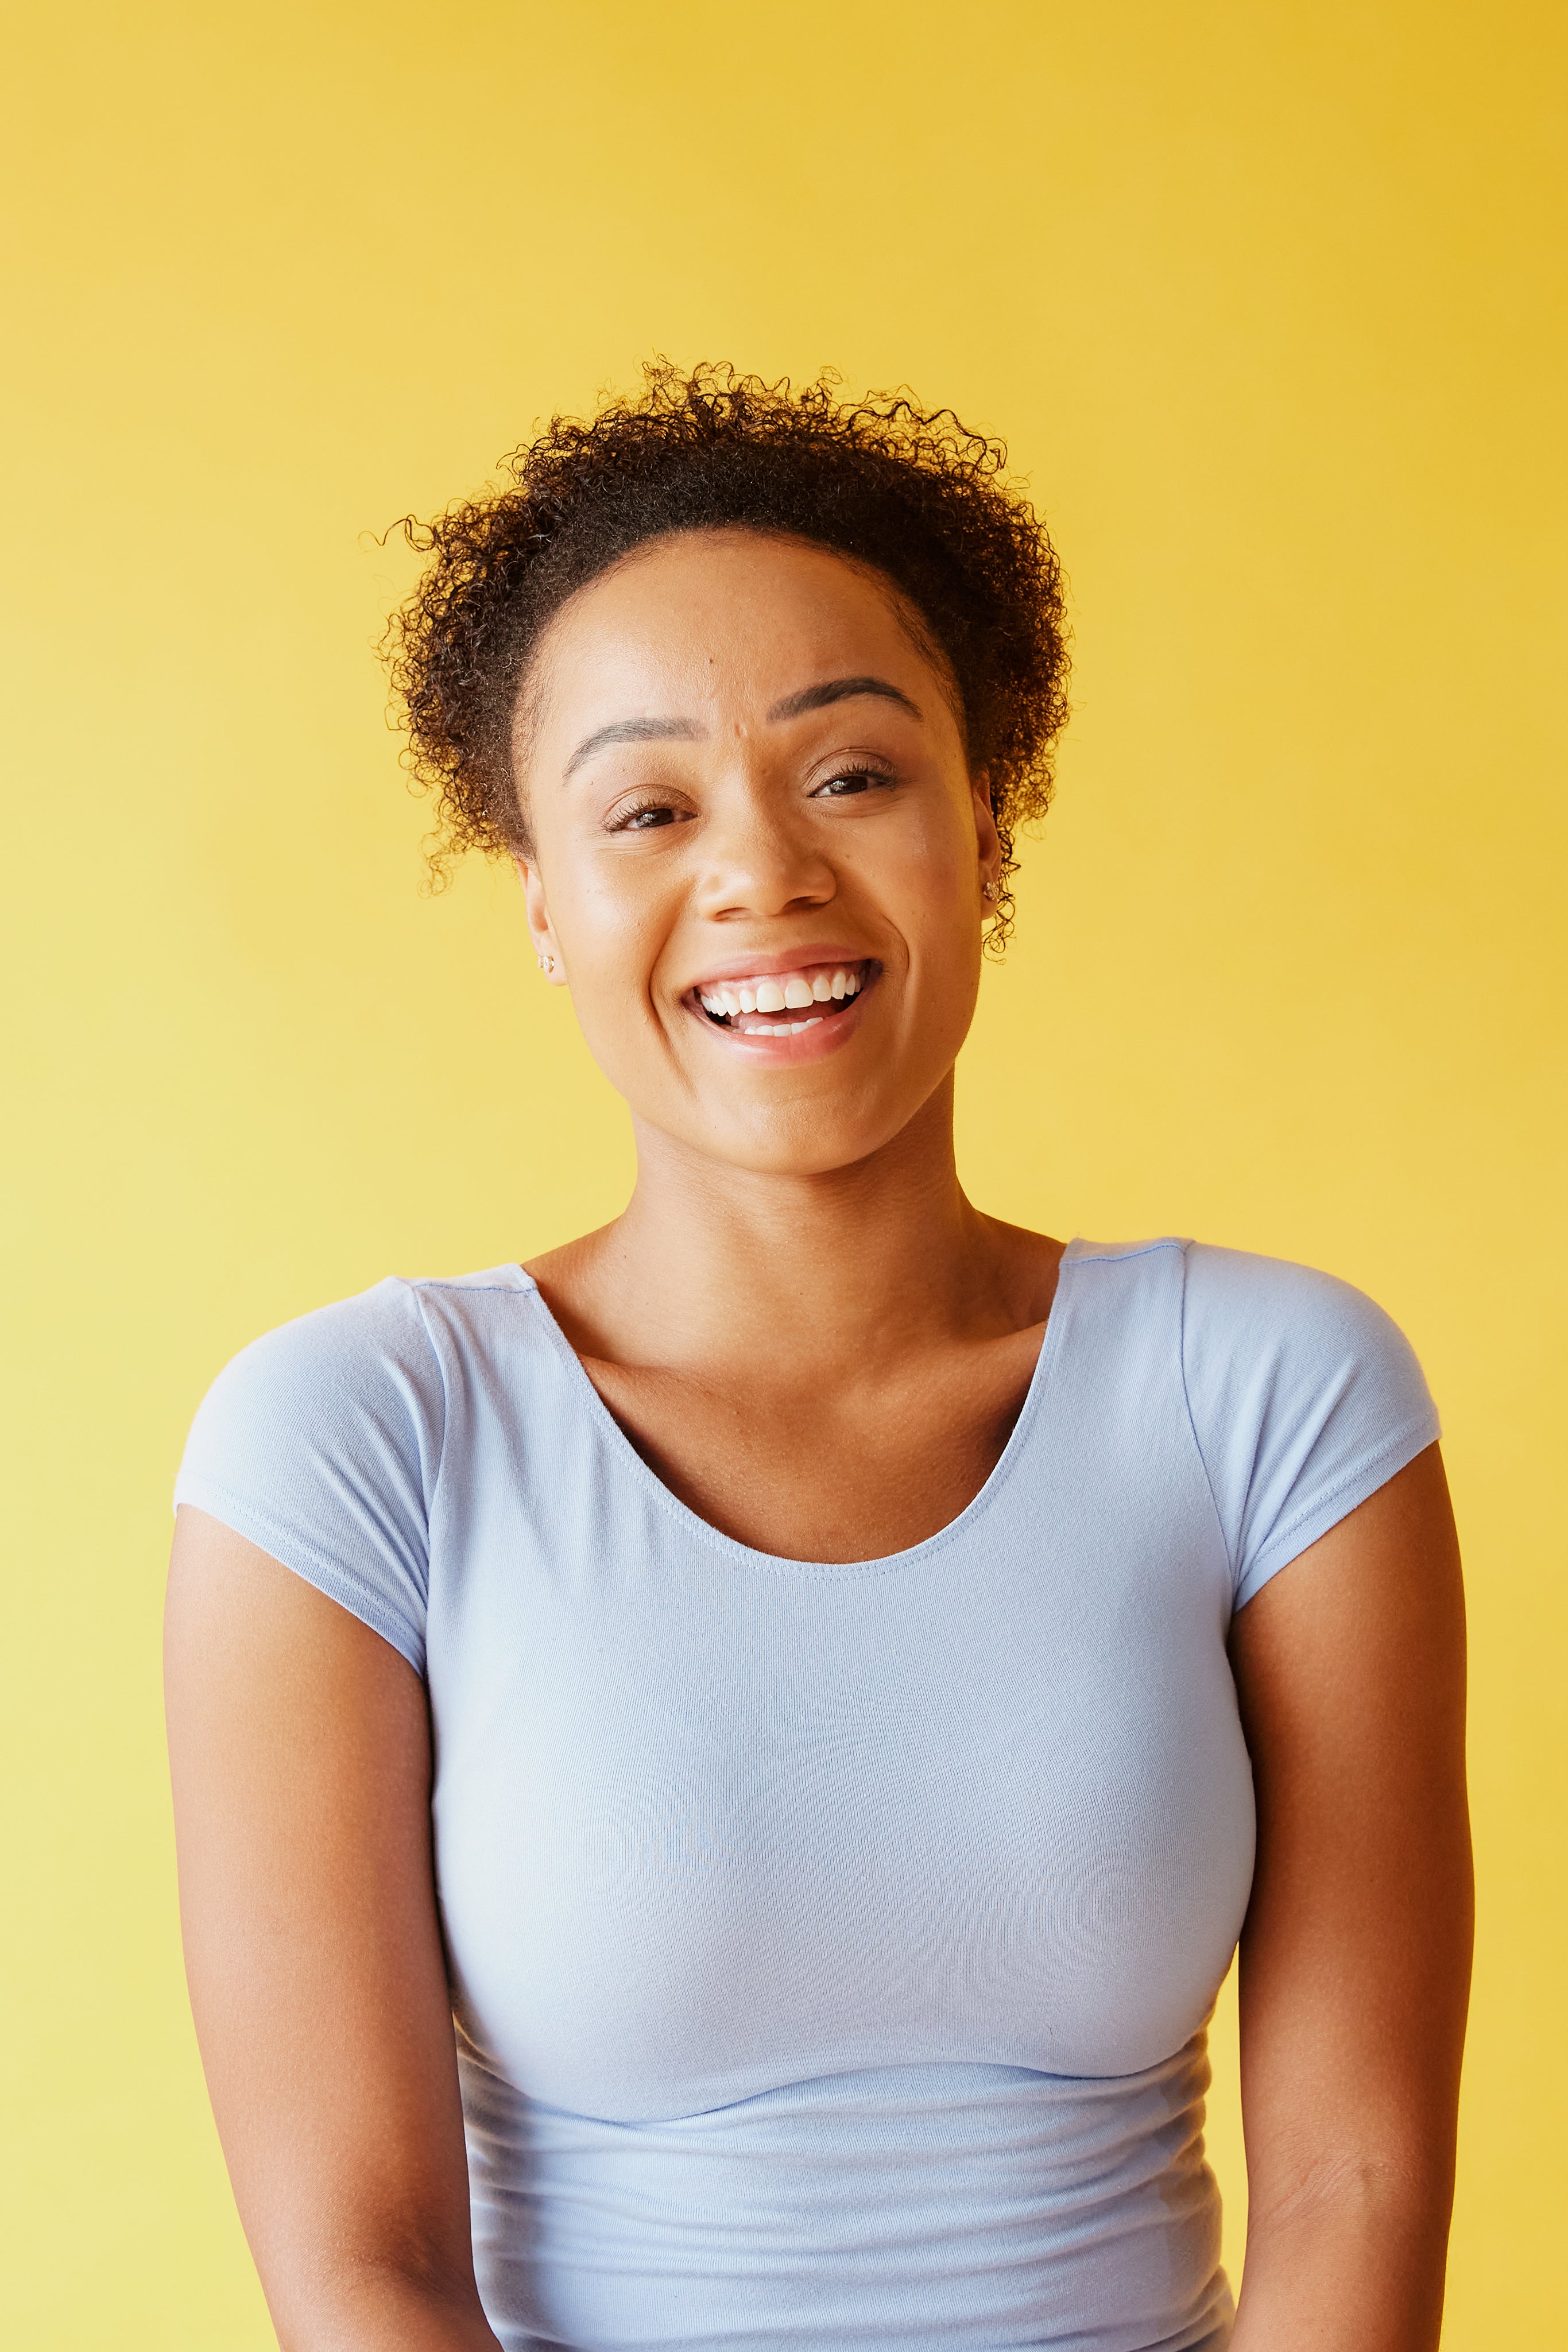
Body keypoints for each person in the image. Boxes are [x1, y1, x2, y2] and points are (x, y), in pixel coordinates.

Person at [164, 363, 1472, 2352]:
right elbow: (365, 2269)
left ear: (984, 822)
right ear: (540, 900)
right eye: (646, 809)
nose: (762, 875)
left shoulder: (1273, 1394)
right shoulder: (357, 1442)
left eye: (851, 773)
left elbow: (1348, 2182)